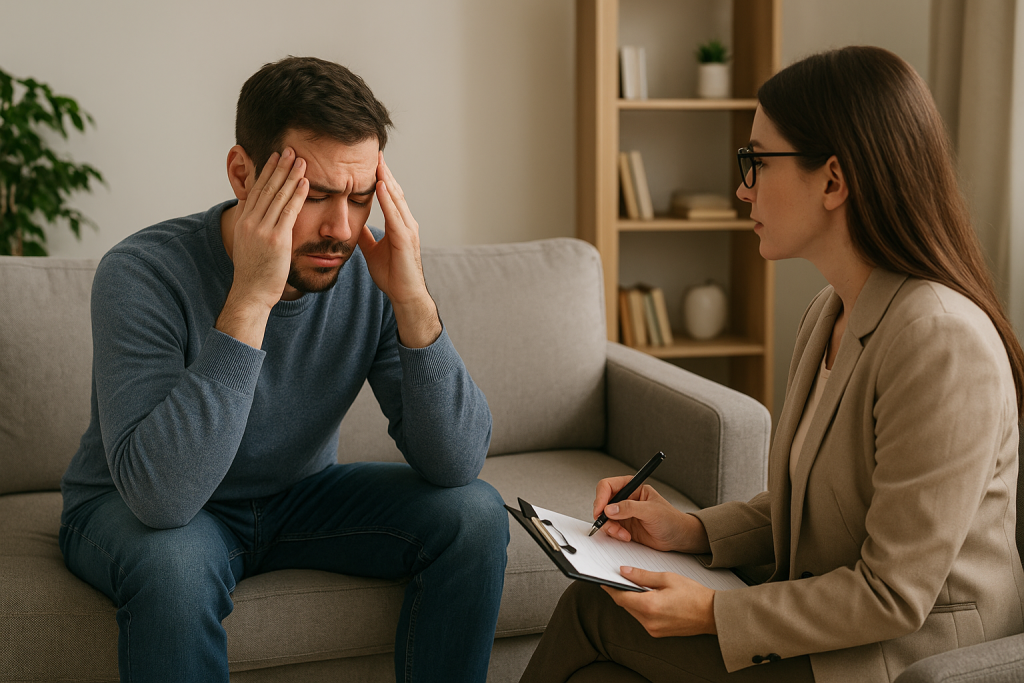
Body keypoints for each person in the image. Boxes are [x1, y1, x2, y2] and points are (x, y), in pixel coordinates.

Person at [520, 46, 1024, 683]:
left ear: (834, 180)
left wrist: (713, 611)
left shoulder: (941, 342)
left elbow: (895, 594)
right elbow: (811, 508)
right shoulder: (830, 313)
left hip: (911, 655)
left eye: (756, 161)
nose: (741, 187)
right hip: (835, 626)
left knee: (595, 613)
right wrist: (687, 531)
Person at [58, 56, 509, 683]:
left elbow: (455, 463)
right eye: (315, 195)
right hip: (137, 505)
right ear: (243, 174)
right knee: (174, 566)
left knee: (476, 515)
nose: (340, 229)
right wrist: (248, 299)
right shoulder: (141, 273)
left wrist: (411, 301)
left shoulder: (367, 274)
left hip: (299, 499)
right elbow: (161, 498)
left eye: (359, 198)